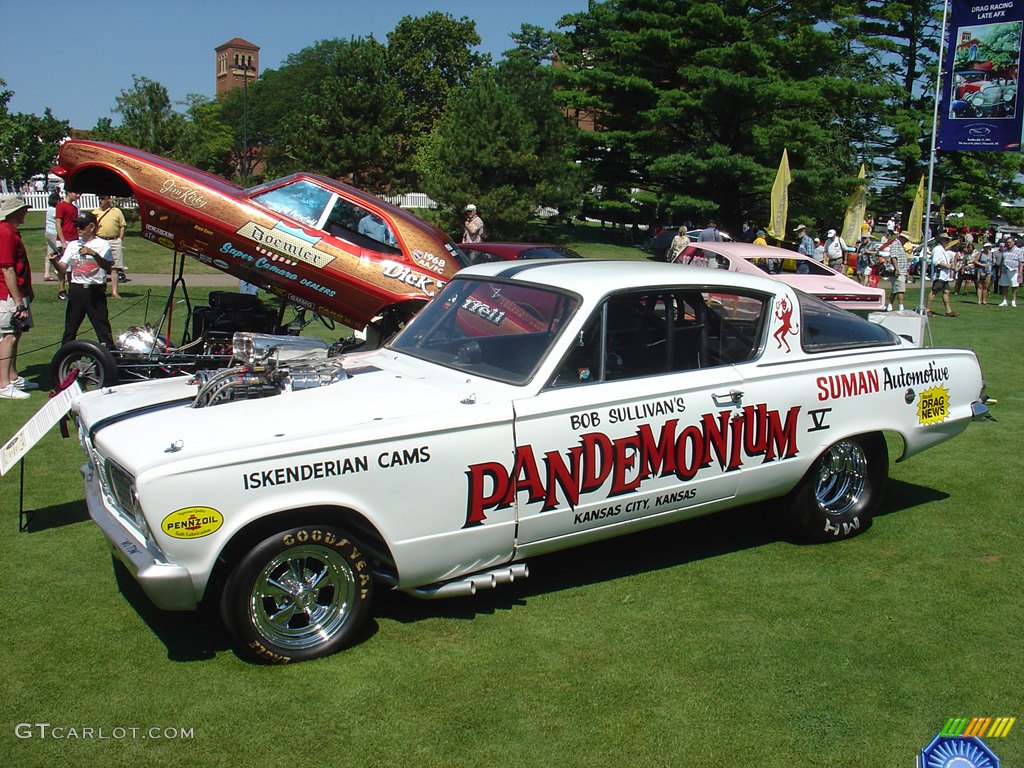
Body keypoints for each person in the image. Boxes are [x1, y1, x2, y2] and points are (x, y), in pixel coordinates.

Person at [50, 211, 115, 349]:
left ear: (91, 227)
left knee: (102, 327)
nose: (78, 228)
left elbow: (108, 267)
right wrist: (54, 261)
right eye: (77, 225)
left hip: (94, 290)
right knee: (70, 328)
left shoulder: (102, 244)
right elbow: (62, 268)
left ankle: (111, 357)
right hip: (76, 290)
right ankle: (65, 358)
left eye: (82, 225)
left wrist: (94, 254)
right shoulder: (73, 245)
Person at [0, 195, 37, 399]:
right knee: (9, 335)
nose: (25, 212)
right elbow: (7, 268)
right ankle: (3, 384)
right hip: (7, 294)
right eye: (22, 209)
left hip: (18, 292)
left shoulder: (11, 232)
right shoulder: (5, 232)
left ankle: (13, 377)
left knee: (17, 334)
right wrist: (17, 301)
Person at [93, 195, 129, 296]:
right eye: (99, 199)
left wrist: (120, 239)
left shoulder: (116, 211)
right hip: (101, 239)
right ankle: (100, 290)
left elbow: (122, 225)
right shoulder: (95, 212)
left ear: (108, 199)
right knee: (100, 266)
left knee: (115, 267)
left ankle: (114, 292)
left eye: (102, 198)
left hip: (114, 240)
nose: (100, 201)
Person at [54, 189, 81, 301]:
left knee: (73, 266)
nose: (78, 195)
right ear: (69, 192)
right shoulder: (61, 206)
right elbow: (58, 224)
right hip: (64, 239)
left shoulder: (74, 208)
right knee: (63, 267)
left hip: (74, 239)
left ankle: (72, 289)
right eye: (76, 192)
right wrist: (63, 241)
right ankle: (61, 290)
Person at [925, 233, 958, 317]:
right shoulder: (938, 249)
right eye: (946, 240)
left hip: (944, 275)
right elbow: (935, 261)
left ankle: (948, 311)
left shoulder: (944, 250)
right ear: (941, 240)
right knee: (934, 291)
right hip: (939, 274)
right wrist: (946, 265)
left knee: (946, 291)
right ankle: (927, 309)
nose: (948, 241)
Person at [881, 231, 911, 311]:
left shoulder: (900, 245)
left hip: (902, 270)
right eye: (906, 240)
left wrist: (905, 272)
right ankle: (901, 306)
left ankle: (890, 305)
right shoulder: (895, 244)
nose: (906, 241)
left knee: (895, 289)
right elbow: (893, 257)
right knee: (900, 290)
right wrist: (897, 268)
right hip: (898, 271)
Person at [998, 235, 1022, 307]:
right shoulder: (1005, 250)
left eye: (1010, 242)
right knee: (1004, 285)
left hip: (1014, 270)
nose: (1008, 244)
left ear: (1013, 242)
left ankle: (1013, 301)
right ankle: (1004, 300)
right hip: (1004, 270)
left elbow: (1021, 262)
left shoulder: (1019, 250)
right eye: (1007, 242)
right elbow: (1002, 260)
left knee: (1014, 286)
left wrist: (1020, 272)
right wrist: (1000, 269)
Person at [43, 191, 61, 281]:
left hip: (48, 233)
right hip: (54, 233)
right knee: (60, 252)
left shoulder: (49, 209)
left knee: (49, 253)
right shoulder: (54, 210)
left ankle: (46, 274)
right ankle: (58, 270)